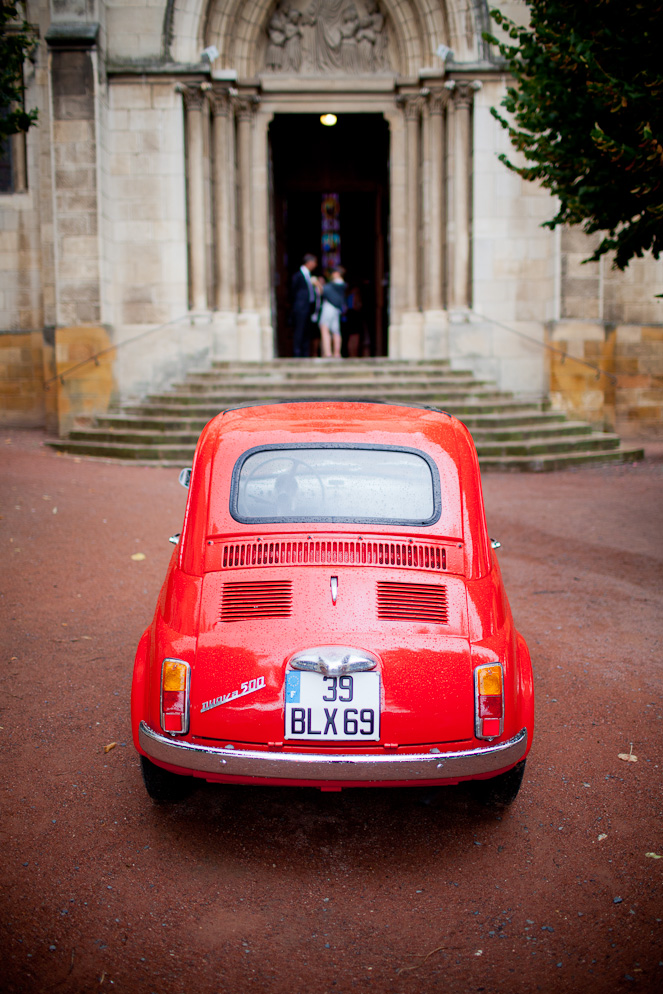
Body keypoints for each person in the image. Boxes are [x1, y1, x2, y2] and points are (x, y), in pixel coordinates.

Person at [290, 253, 318, 357]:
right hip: (300, 307)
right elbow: (293, 290)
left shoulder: (309, 276)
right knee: (299, 331)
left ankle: (305, 354)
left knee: (306, 331)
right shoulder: (298, 275)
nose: (315, 265)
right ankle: (297, 354)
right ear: (309, 262)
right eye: (314, 262)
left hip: (309, 307)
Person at [319, 265, 347, 359]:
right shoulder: (342, 284)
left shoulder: (336, 284)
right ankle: (337, 353)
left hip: (329, 308)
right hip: (336, 309)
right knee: (336, 331)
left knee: (325, 328)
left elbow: (324, 291)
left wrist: (319, 284)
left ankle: (328, 352)